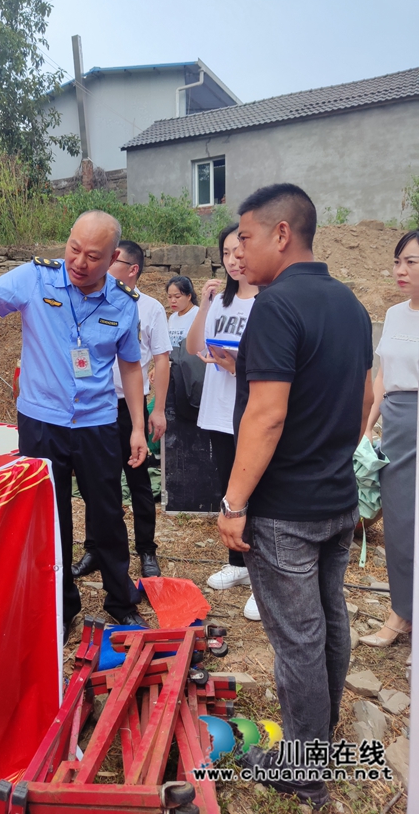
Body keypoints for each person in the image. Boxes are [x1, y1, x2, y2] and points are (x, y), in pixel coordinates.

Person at [0, 210, 150, 642]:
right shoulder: (35, 279)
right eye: (73, 248)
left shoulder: (123, 302)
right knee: (50, 518)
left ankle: (121, 601)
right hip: (42, 421)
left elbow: (130, 366)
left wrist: (137, 426)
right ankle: (61, 607)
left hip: (97, 422)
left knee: (108, 515)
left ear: (113, 257)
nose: (79, 261)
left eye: (93, 256)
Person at [216, 184, 373, 809]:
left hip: (284, 511)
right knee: (331, 622)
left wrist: (232, 504)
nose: (240, 251)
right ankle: (320, 746)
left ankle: (304, 769)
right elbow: (364, 400)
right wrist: (331, 459)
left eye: (247, 237)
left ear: (283, 233)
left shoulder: (276, 308)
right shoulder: (351, 306)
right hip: (336, 500)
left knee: (298, 641)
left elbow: (266, 416)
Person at [72, 240, 172, 580]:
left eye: (114, 264)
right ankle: (95, 549)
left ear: (132, 270)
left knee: (139, 482)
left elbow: (161, 359)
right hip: (94, 406)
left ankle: (146, 550)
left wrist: (156, 410)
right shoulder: (89, 301)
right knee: (97, 482)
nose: (105, 269)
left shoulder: (150, 308)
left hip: (130, 408)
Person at [185, 223, 260, 621]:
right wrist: (205, 303)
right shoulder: (221, 302)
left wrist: (237, 367)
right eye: (226, 253)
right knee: (228, 490)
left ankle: (264, 577)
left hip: (250, 412)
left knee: (258, 494)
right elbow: (194, 347)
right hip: (218, 411)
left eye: (239, 251)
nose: (233, 260)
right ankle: (239, 564)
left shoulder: (267, 301)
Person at [361, 229, 419, 654]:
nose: (400, 270)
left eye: (411, 263)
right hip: (398, 426)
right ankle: (401, 613)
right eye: (398, 261)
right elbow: (382, 376)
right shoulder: (397, 315)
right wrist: (367, 425)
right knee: (399, 524)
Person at [166, 276, 199, 348]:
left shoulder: (198, 314)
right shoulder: (172, 318)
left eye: (177, 297)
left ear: (189, 296)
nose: (173, 301)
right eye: (169, 297)